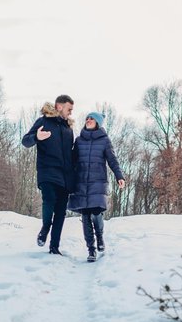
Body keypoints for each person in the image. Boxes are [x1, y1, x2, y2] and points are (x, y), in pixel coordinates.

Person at [21, 95, 76, 255]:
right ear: (59, 106)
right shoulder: (43, 122)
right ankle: (45, 228)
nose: (71, 113)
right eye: (69, 109)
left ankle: (54, 247)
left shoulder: (68, 129)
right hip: (47, 171)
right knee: (49, 199)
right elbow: (25, 141)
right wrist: (36, 137)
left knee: (60, 211)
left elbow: (71, 153)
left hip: (65, 175)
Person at [68, 112, 125, 262]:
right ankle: (91, 250)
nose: (88, 120)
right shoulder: (79, 140)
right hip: (81, 182)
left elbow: (112, 160)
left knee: (96, 212)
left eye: (91, 118)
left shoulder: (105, 141)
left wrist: (120, 176)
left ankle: (99, 237)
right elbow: (72, 161)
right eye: (87, 118)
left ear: (98, 123)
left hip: (97, 181)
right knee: (85, 216)